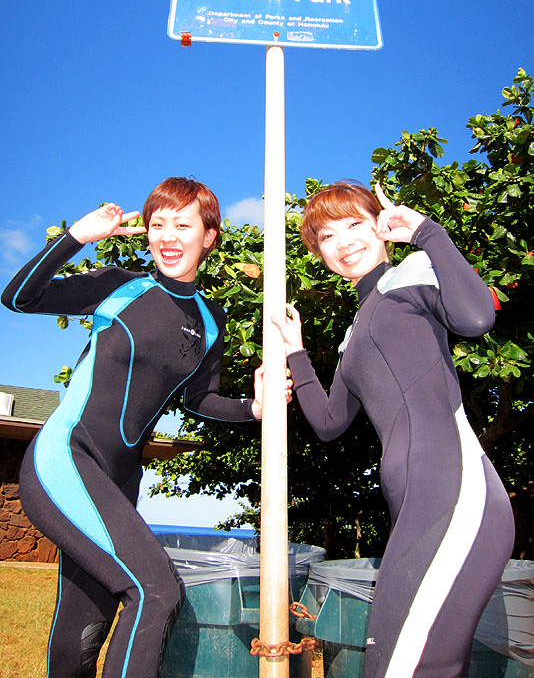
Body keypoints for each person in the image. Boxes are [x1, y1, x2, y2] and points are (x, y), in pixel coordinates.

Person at [2, 177, 265, 678]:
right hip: (65, 459)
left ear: (208, 236)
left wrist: (254, 409)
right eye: (157, 224)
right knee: (155, 590)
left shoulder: (211, 321)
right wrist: (76, 238)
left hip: (120, 480)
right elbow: (18, 298)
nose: (167, 236)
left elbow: (200, 400)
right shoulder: (122, 286)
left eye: (182, 224)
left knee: (88, 618)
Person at [272, 181, 515, 678]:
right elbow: (329, 423)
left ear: (381, 227)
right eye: (327, 236)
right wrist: (296, 352)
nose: (343, 242)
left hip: (453, 493)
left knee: (398, 665)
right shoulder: (353, 334)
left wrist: (426, 232)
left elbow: (475, 318)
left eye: (354, 224)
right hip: (414, 505)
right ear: (319, 253)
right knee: (417, 664)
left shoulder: (411, 274)